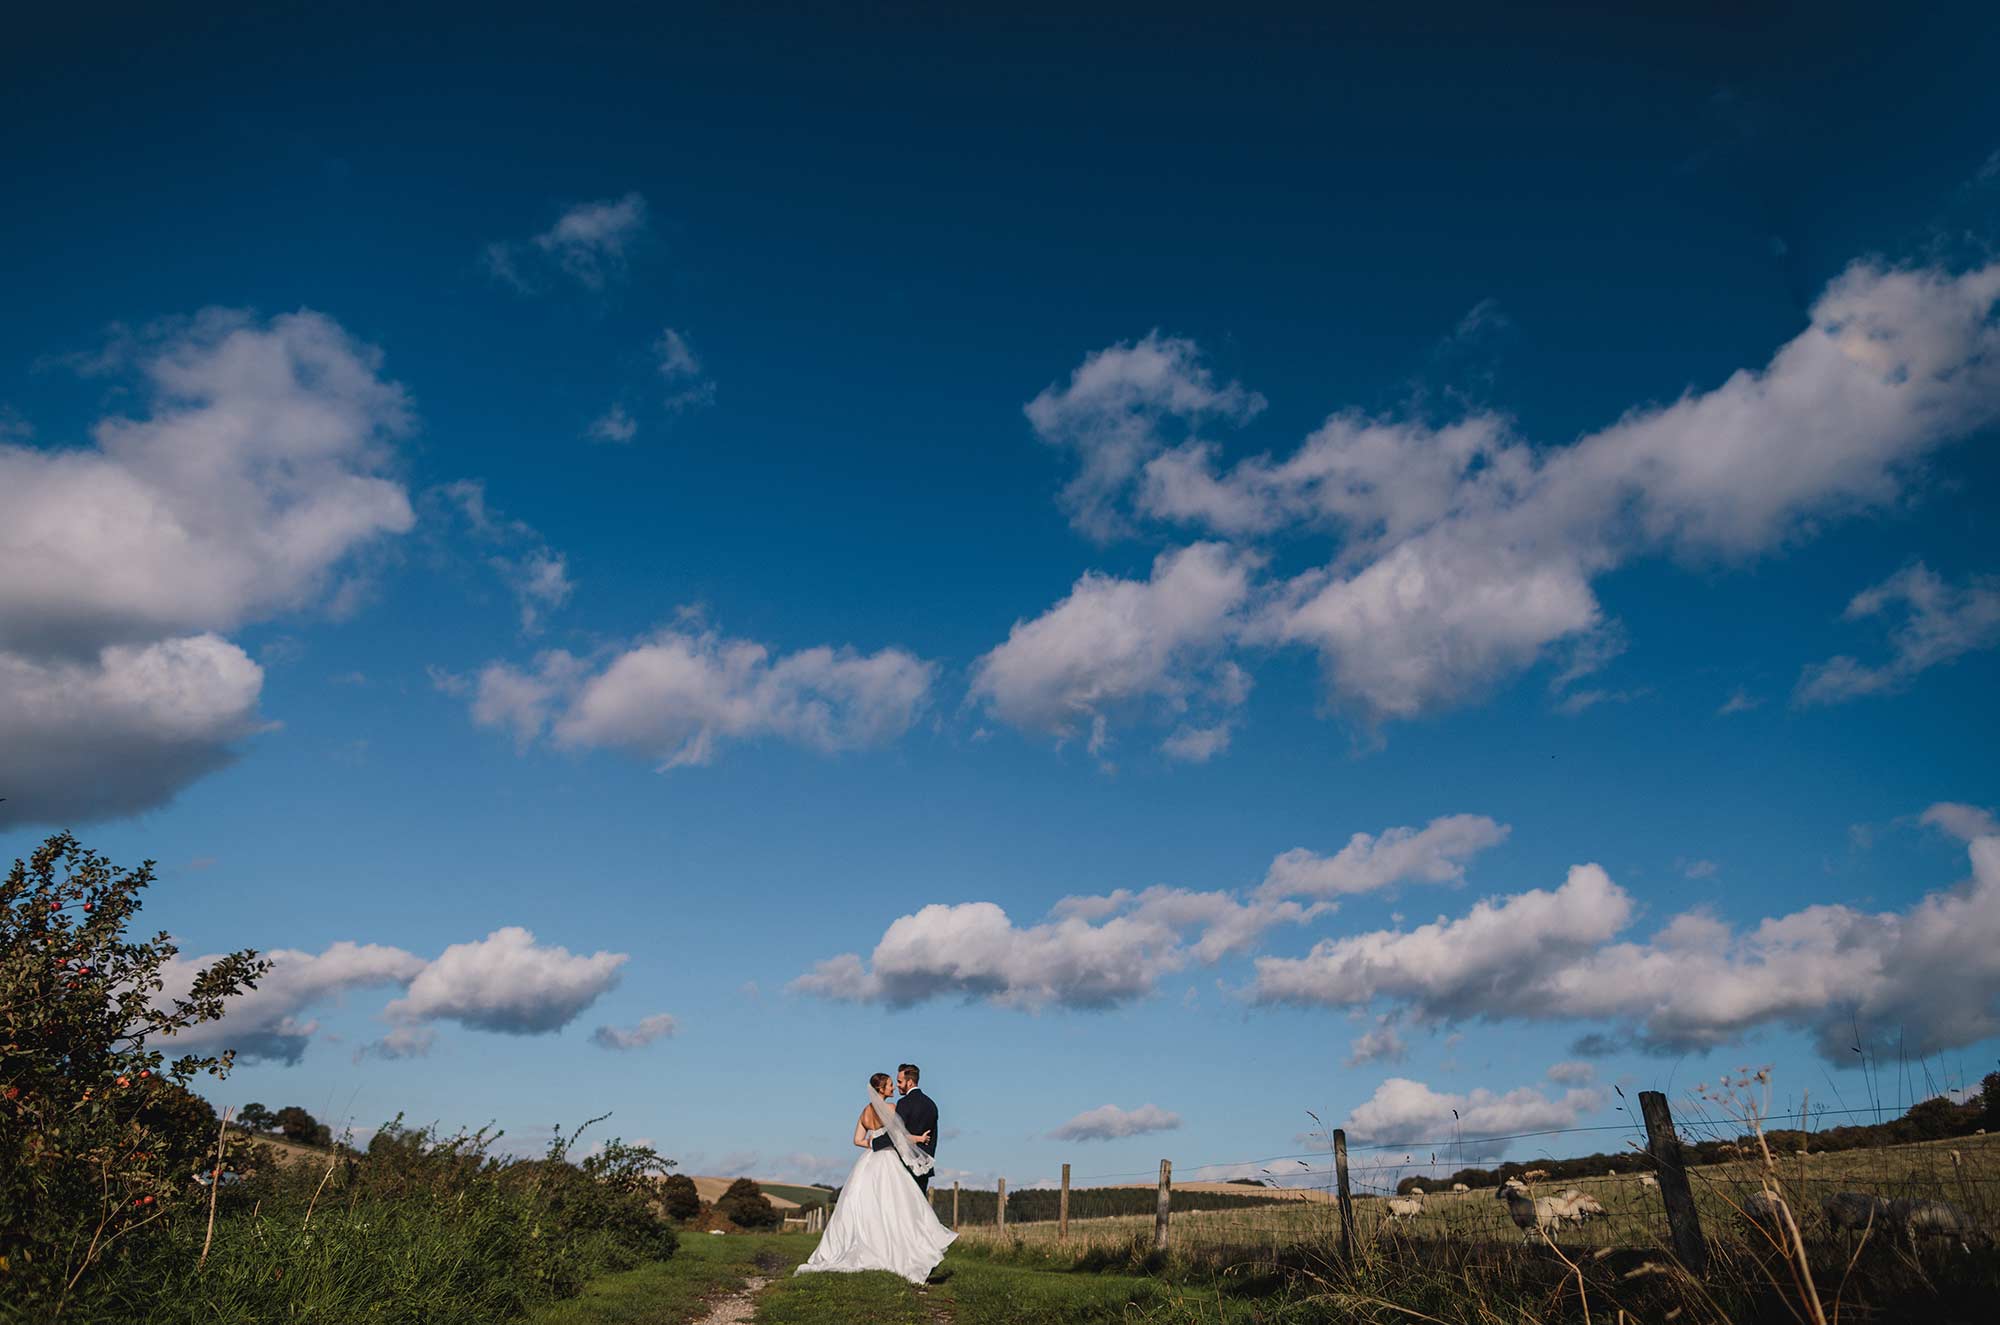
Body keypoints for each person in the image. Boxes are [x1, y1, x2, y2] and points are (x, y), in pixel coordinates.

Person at [793, 1071, 956, 1284]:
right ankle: (898, 1249)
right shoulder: (891, 1108)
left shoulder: (865, 1112)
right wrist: (919, 1138)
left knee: (866, 1205)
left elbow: (856, 1140)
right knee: (894, 1206)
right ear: (881, 1089)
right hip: (887, 1159)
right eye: (889, 1085)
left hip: (868, 1160)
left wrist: (871, 1144)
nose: (893, 1088)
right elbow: (898, 1136)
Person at [871, 1064, 938, 1193]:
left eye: (900, 1082)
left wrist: (873, 1142)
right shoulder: (932, 1105)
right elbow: (933, 1139)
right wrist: (926, 1162)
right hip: (924, 1167)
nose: (897, 1085)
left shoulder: (904, 1103)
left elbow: (895, 1134)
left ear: (910, 1082)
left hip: (905, 1167)